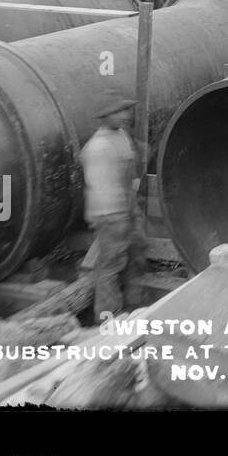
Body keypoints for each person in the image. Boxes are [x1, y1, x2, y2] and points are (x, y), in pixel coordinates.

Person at [78, 95, 147, 320]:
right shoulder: (97, 147)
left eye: (125, 110)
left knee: (136, 255)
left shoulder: (120, 135)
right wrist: (120, 215)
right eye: (118, 112)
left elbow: (130, 170)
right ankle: (107, 318)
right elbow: (101, 188)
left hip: (127, 208)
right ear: (104, 117)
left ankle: (135, 308)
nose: (125, 115)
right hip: (111, 214)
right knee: (110, 267)